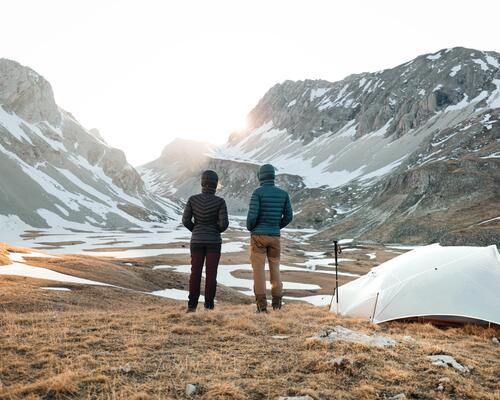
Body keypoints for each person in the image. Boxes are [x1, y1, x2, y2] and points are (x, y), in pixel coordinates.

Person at [246, 164, 293, 313]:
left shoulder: (257, 193)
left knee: (258, 271)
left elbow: (252, 218)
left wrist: (252, 228)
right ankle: (277, 305)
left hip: (258, 236)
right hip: (275, 237)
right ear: (273, 176)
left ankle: (261, 307)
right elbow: (289, 216)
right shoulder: (283, 194)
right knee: (275, 268)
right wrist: (276, 226)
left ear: (261, 177)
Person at [182, 170, 228, 312]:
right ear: (215, 184)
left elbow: (185, 220)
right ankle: (208, 306)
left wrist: (196, 230)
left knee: (195, 272)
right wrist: (214, 230)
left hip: (196, 241)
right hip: (214, 242)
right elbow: (224, 224)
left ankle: (191, 306)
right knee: (211, 273)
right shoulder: (220, 201)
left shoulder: (192, 199)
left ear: (202, 183)